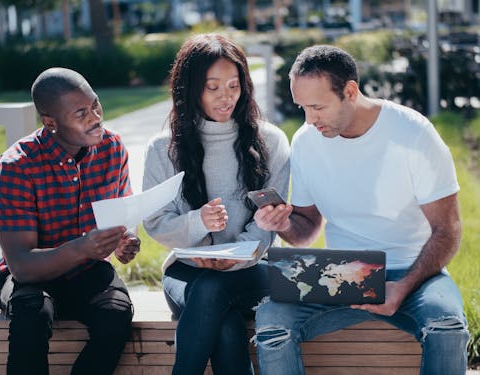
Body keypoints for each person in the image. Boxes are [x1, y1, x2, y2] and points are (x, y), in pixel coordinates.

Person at [252, 45, 469, 375]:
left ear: (350, 91)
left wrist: (403, 286)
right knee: (271, 322)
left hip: (415, 271)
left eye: (318, 107)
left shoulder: (413, 134)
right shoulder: (307, 141)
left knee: (447, 328)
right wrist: (281, 223)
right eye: (302, 107)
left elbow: (448, 230)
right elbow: (307, 229)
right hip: (342, 272)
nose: (310, 119)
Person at [142, 33, 290, 375]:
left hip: (254, 270)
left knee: (213, 289)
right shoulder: (162, 148)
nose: (226, 97)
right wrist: (197, 223)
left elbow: (266, 224)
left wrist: (234, 258)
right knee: (222, 321)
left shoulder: (271, 141)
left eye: (234, 85)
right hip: (185, 271)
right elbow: (156, 223)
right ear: (191, 88)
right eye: (213, 88)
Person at [0, 67, 141, 375]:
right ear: (50, 123)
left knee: (117, 314)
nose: (95, 116)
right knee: (32, 312)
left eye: (95, 104)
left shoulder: (112, 147)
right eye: (81, 112)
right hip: (31, 277)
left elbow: (126, 210)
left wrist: (126, 239)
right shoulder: (16, 167)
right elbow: (21, 265)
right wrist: (83, 248)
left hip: (85, 272)